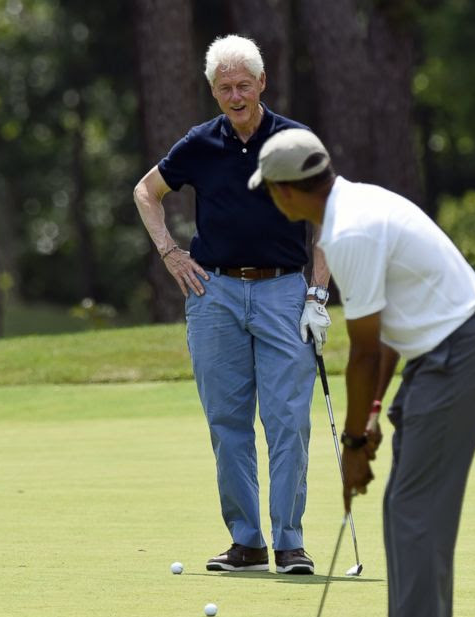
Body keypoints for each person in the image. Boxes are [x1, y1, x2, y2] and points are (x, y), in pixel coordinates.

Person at [249, 128, 475, 617]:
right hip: (440, 354)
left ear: (287, 194)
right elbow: (386, 337)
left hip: (460, 355)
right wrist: (368, 422)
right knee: (405, 508)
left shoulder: (350, 231)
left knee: (417, 512)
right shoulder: (358, 204)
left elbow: (364, 352)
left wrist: (350, 446)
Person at [132, 35, 333, 575]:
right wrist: (171, 253)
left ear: (262, 83)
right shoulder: (200, 143)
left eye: (244, 84)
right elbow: (146, 192)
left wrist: (318, 292)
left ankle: (290, 541)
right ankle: (247, 542)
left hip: (284, 292)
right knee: (228, 422)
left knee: (287, 420)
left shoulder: (294, 140)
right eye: (225, 87)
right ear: (213, 91)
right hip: (213, 294)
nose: (236, 95)